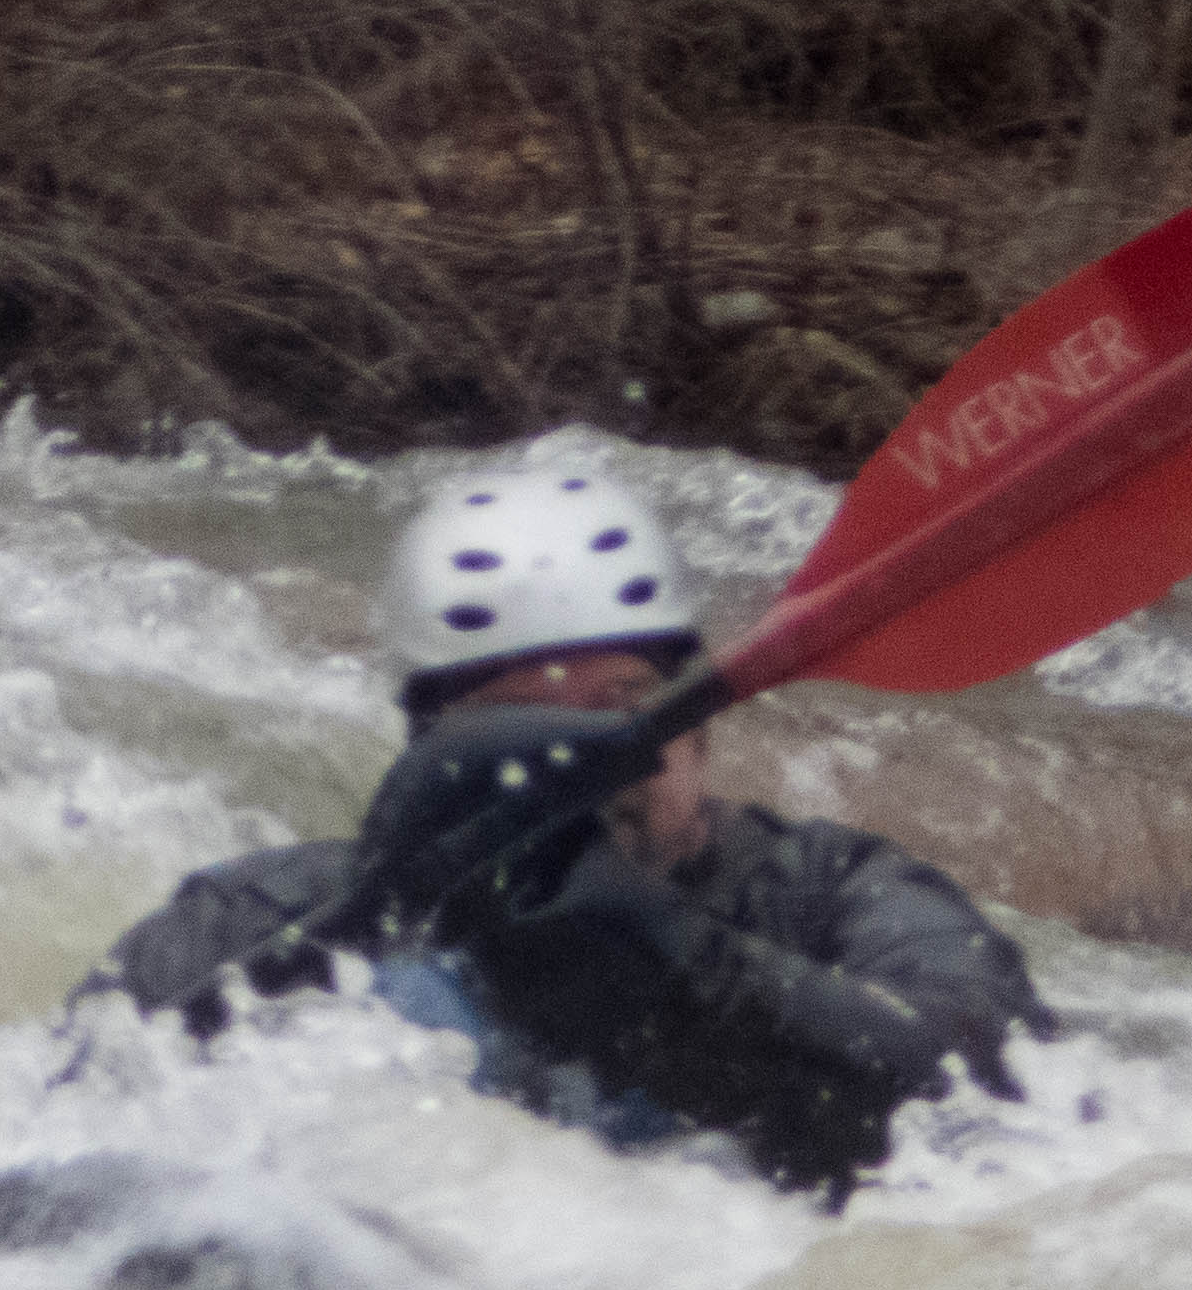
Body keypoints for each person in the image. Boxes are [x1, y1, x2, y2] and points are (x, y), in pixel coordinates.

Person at [84, 468, 1053, 1203]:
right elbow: (76, 1128)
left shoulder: (834, 893)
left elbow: (1022, 1106)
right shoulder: (264, 918)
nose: (582, 773)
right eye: (519, 728)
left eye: (620, 712)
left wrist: (684, 975)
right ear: (430, 752)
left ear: (698, 727)